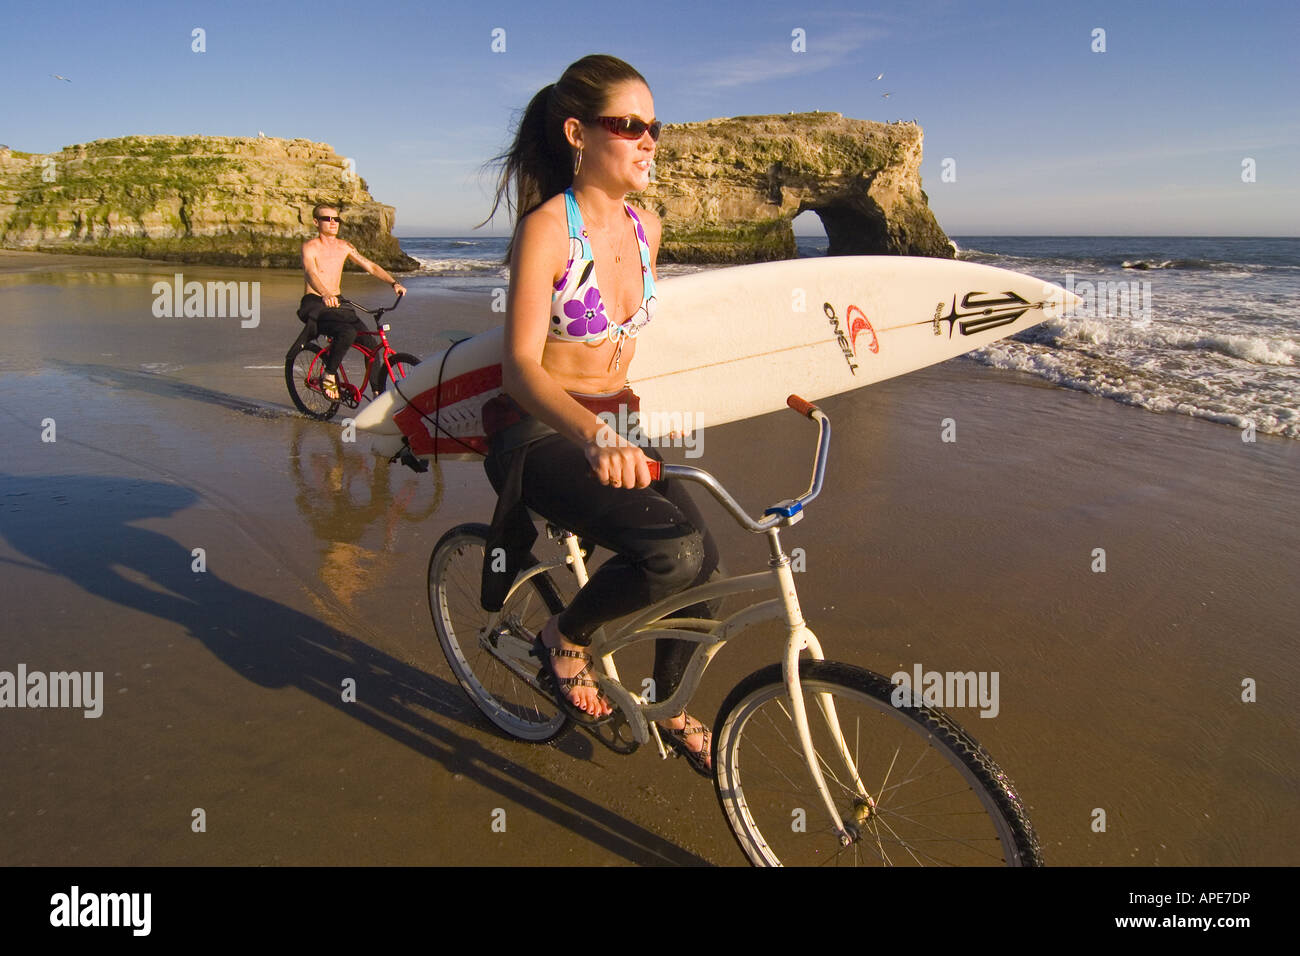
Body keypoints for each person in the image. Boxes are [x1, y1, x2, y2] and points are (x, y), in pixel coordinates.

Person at [481, 54, 719, 775]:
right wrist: (593, 436)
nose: (651, 140)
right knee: (668, 552)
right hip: (541, 430)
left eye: (656, 127)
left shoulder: (648, 228)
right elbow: (519, 369)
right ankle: (567, 637)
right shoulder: (548, 230)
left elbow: (624, 350)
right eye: (631, 125)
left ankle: (670, 702)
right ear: (579, 133)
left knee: (705, 557)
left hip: (619, 419)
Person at [299, 203, 407, 400]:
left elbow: (370, 266)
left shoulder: (344, 246)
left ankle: (377, 392)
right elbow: (310, 272)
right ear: (316, 222)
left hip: (337, 303)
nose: (333, 223)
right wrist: (324, 293)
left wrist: (394, 283)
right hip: (315, 302)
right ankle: (329, 374)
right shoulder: (310, 247)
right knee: (347, 332)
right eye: (327, 219)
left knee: (369, 343)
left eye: (336, 219)